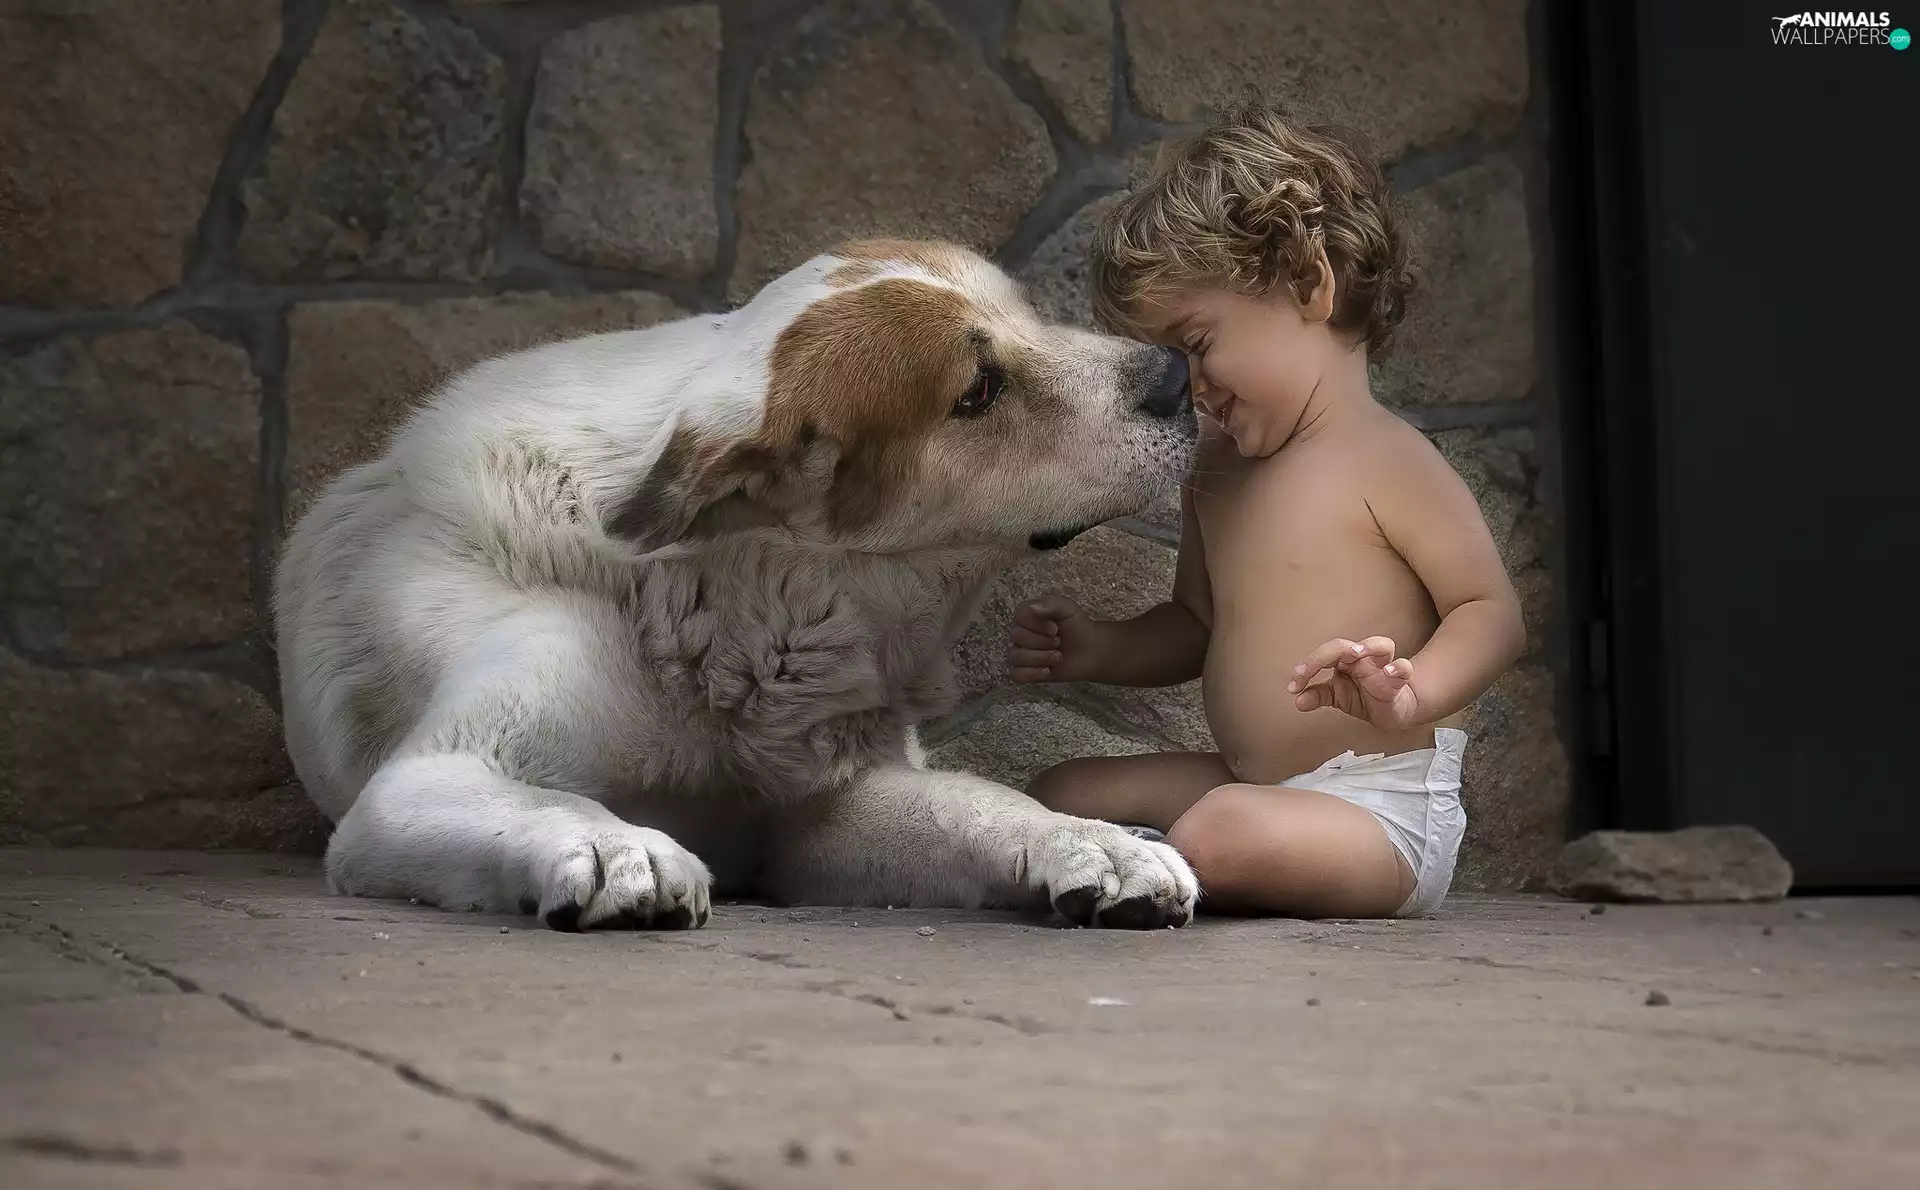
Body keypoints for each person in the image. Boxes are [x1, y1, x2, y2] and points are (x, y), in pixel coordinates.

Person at [1011, 103, 1524, 919]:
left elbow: (1490, 613)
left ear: (1310, 285)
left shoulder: (1389, 460)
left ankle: (1158, 873)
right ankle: (1145, 870)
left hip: (1376, 814)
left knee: (1221, 831)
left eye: (1196, 345)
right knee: (1055, 796)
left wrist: (1412, 694)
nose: (1188, 385)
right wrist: (1101, 647)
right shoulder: (1215, 470)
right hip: (1255, 785)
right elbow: (1195, 624)